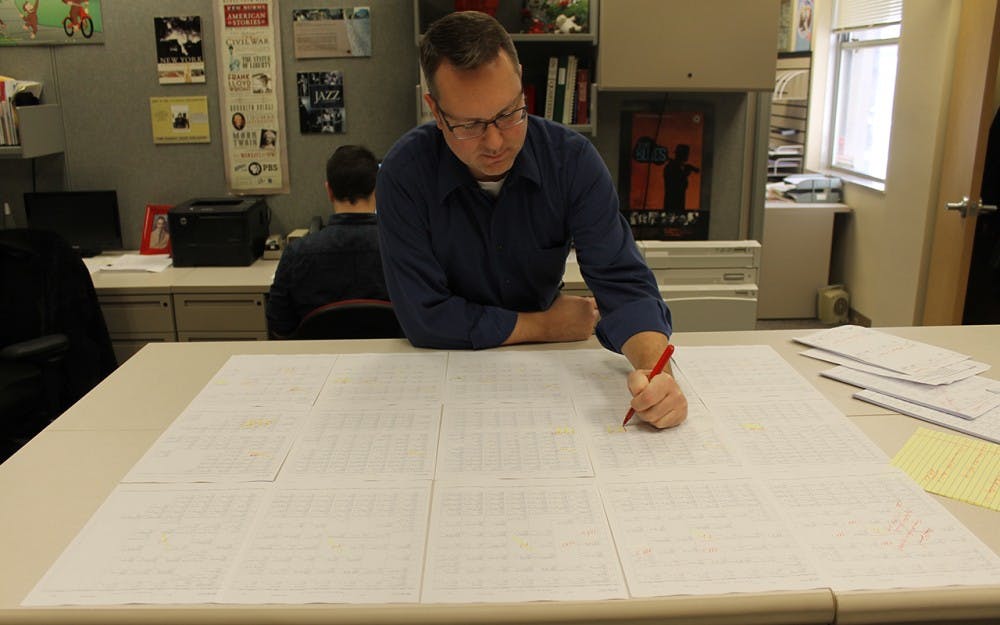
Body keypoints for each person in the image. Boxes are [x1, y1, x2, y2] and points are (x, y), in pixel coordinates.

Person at [376, 11, 687, 429]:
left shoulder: (571, 161)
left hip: (547, 375)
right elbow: (425, 317)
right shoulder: (404, 173)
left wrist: (657, 374)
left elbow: (623, 283)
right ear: (434, 109)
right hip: (443, 373)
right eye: (469, 125)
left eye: (509, 113)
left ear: (521, 81)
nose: (495, 142)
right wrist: (542, 324)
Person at [266, 145, 389, 338]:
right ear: (377, 188)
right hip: (389, 363)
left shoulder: (296, 253)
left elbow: (279, 325)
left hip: (316, 363)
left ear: (329, 191)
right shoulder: (403, 249)